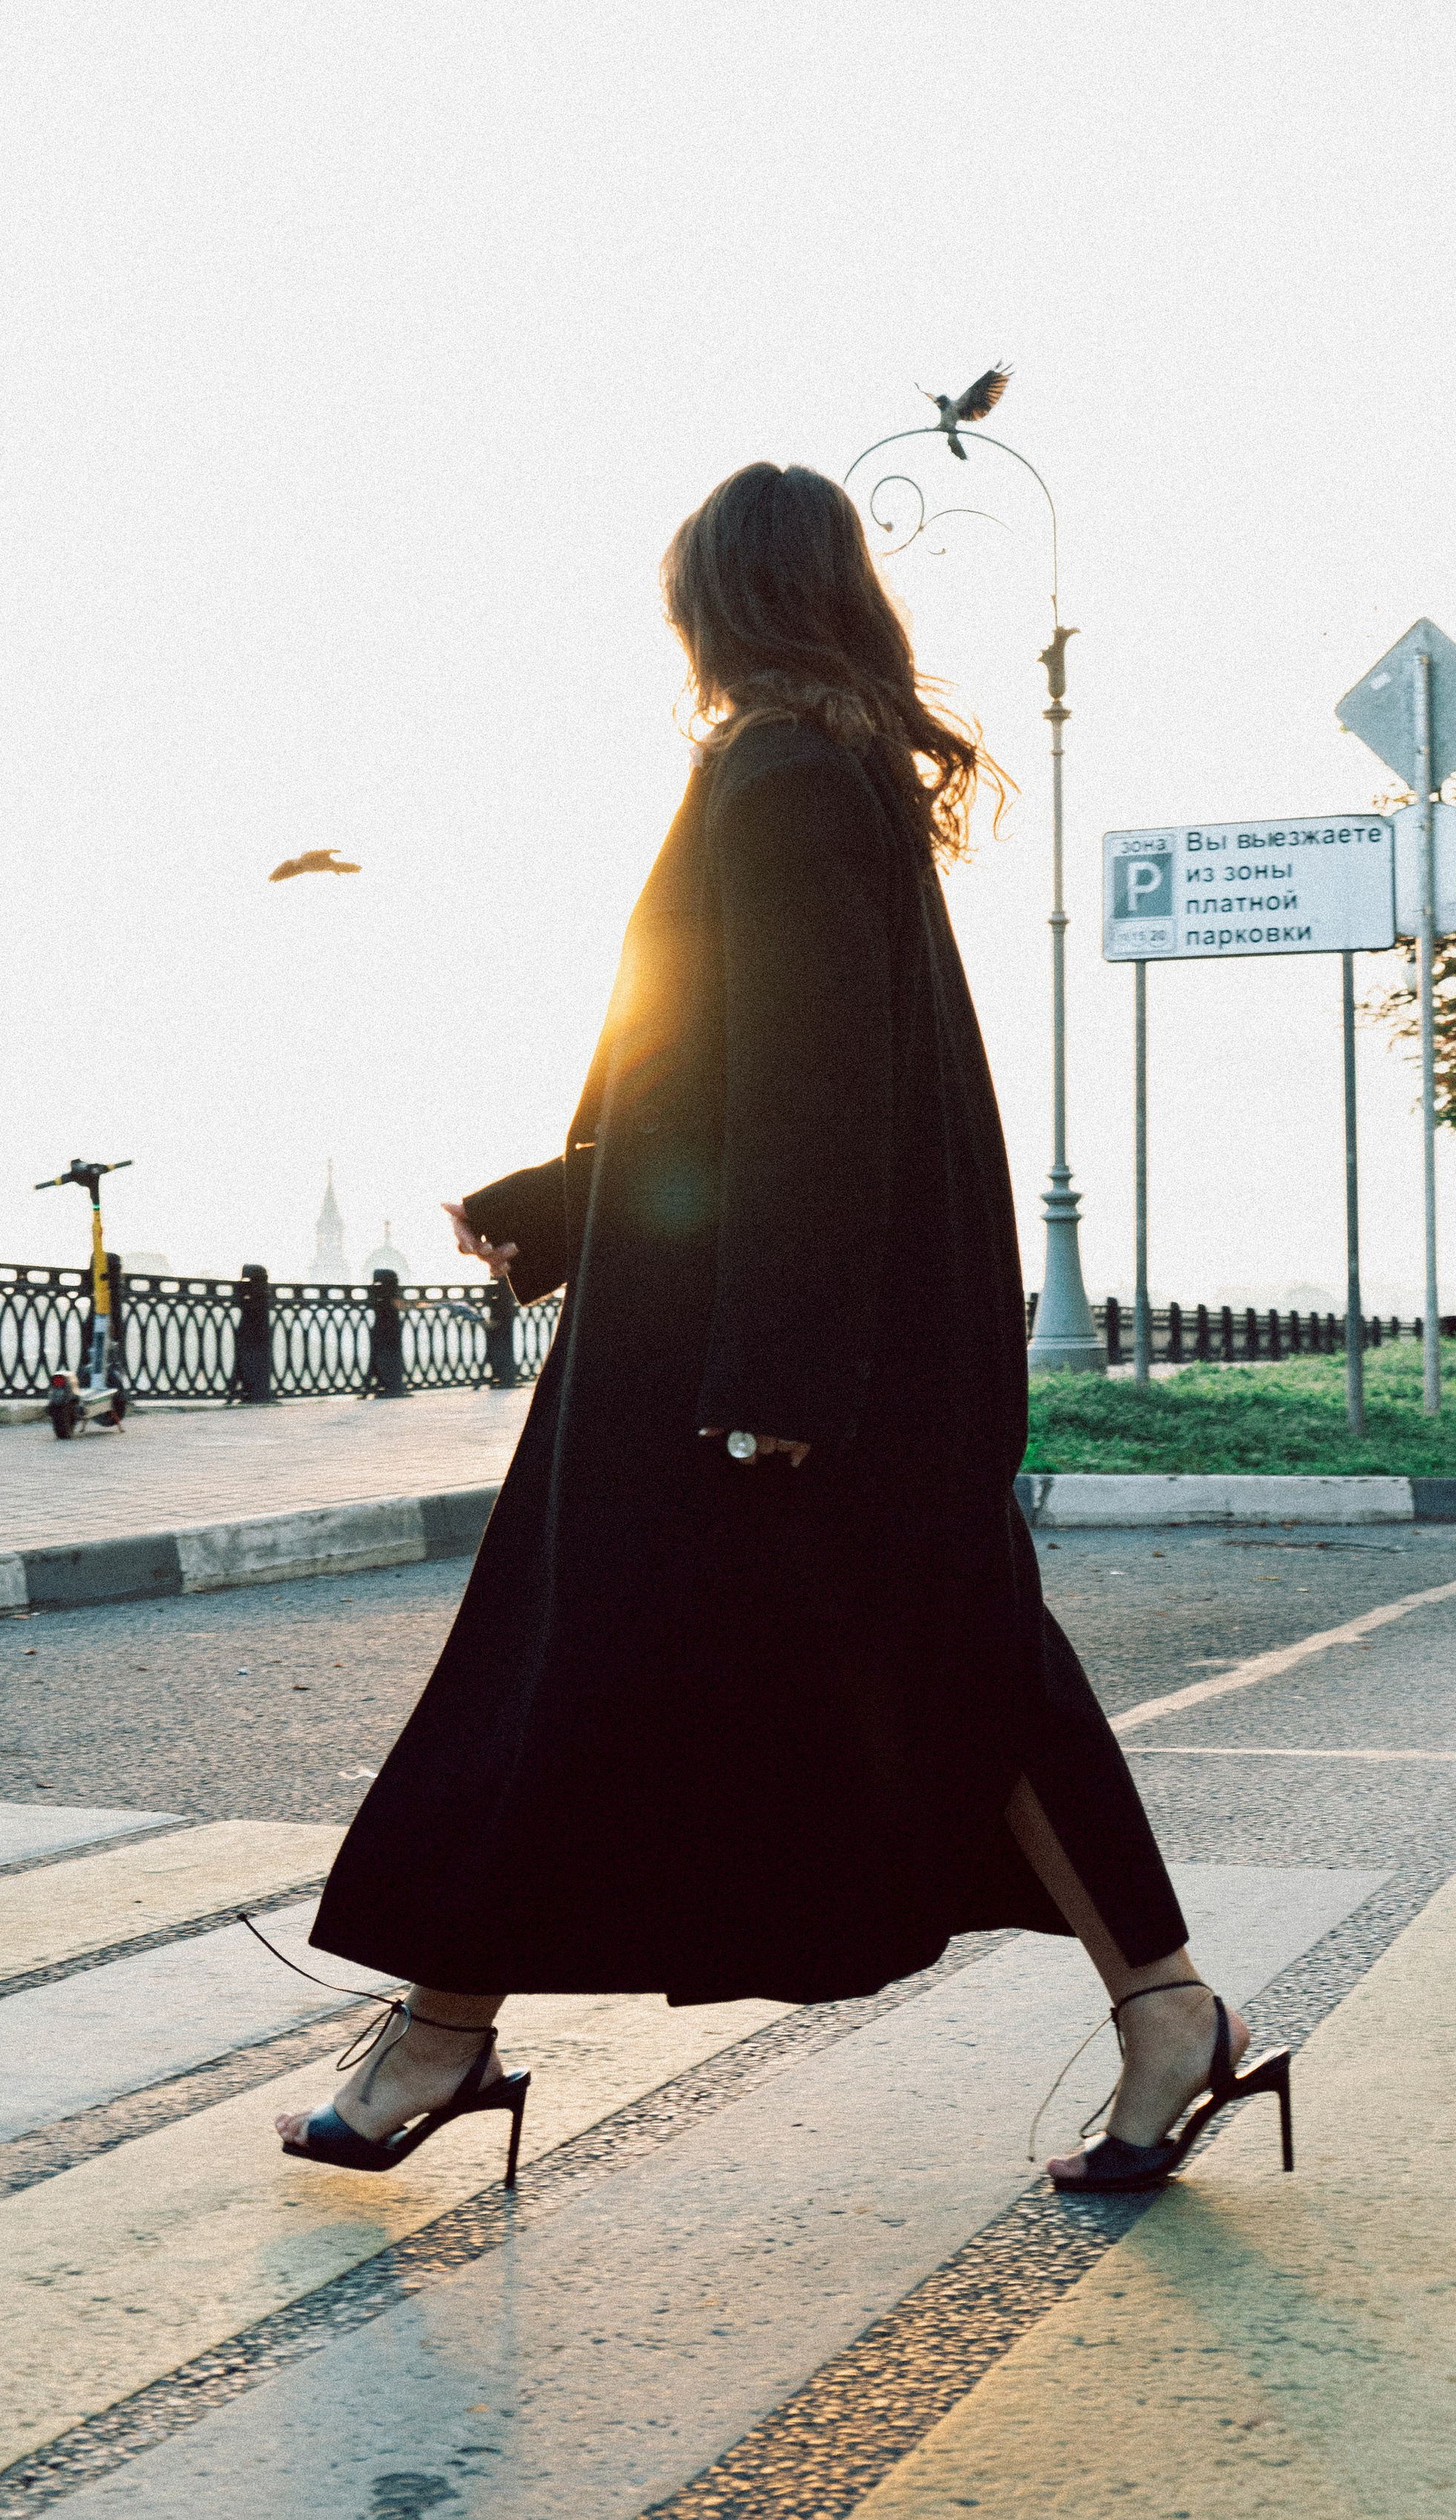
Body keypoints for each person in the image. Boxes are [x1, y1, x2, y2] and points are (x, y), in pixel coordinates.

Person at [280, 462, 1290, 2196]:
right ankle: (1164, 2015)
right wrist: (558, 1197)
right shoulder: (832, 768)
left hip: (758, 1361)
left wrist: (777, 1373)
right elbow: (738, 1075)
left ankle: (439, 2034)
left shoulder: (779, 770)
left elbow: (811, 1088)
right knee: (943, 1669)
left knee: (576, 1661)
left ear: (710, 602)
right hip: (821, 1338)